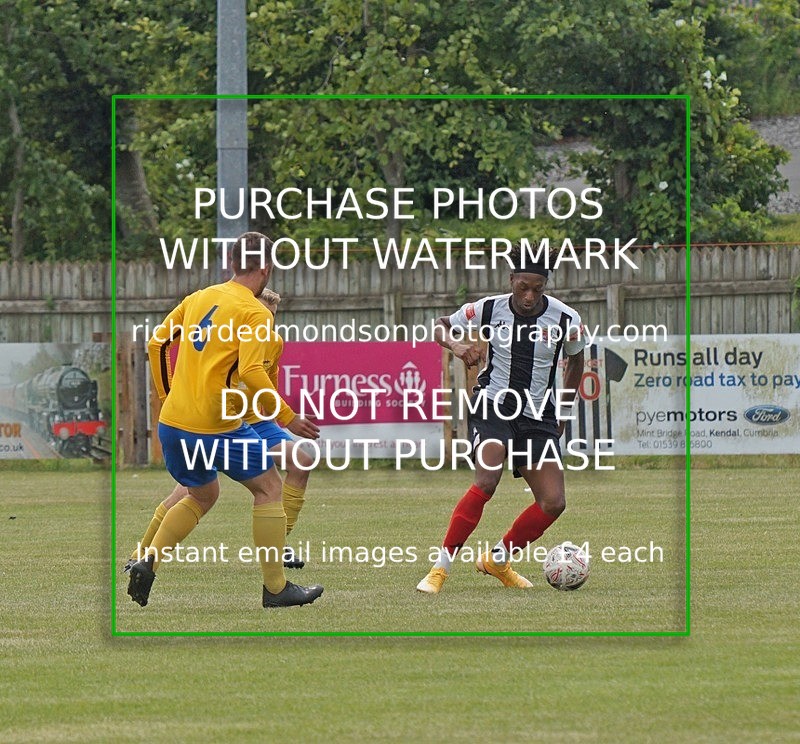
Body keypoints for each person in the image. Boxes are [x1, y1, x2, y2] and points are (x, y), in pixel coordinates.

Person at [126, 231, 324, 609]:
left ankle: (147, 559)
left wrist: (167, 396)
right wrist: (289, 417)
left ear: (231, 264)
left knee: (203, 493)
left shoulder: (199, 297)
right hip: (217, 424)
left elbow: (157, 343)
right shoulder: (254, 312)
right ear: (266, 268)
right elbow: (251, 371)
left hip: (173, 423)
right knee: (269, 488)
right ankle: (277, 588)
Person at [416, 244, 586, 594]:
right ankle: (440, 569)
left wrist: (564, 411)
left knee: (554, 502)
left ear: (545, 286)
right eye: (522, 286)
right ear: (511, 280)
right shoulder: (488, 309)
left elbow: (576, 363)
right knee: (487, 480)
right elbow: (439, 326)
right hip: (494, 405)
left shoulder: (566, 319)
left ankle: (498, 558)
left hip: (538, 414)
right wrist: (458, 346)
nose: (528, 296)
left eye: (537, 289)